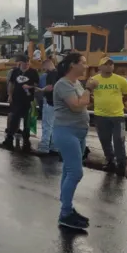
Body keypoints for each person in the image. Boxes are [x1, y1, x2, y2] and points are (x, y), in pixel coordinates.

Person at [53, 52, 97, 230]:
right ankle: (65, 213)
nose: (86, 66)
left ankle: (67, 209)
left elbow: (82, 103)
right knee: (75, 172)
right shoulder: (63, 84)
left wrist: (87, 94)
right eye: (83, 63)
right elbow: (77, 106)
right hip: (66, 131)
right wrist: (89, 89)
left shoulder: (75, 83)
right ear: (73, 65)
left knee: (68, 170)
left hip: (78, 132)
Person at [90, 57, 127, 174]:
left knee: (119, 139)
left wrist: (116, 103)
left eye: (111, 64)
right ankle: (110, 161)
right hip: (100, 115)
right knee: (105, 140)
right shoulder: (93, 80)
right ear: (100, 67)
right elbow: (88, 94)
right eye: (106, 64)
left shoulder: (121, 80)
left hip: (117, 116)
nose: (109, 66)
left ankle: (121, 164)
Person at [3, 55, 39, 151]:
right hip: (16, 99)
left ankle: (26, 139)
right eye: (25, 63)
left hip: (28, 99)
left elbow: (36, 84)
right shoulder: (15, 72)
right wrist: (9, 95)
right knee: (14, 118)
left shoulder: (33, 72)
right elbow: (11, 84)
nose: (27, 64)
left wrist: (29, 87)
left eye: (28, 63)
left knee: (27, 120)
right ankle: (9, 137)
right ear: (20, 63)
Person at [38, 59, 59, 155]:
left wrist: (42, 89)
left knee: (47, 126)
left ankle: (44, 147)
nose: (44, 70)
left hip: (50, 102)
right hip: (58, 103)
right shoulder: (60, 73)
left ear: (47, 65)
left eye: (44, 68)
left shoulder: (51, 74)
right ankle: (54, 147)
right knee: (55, 126)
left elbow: (51, 87)